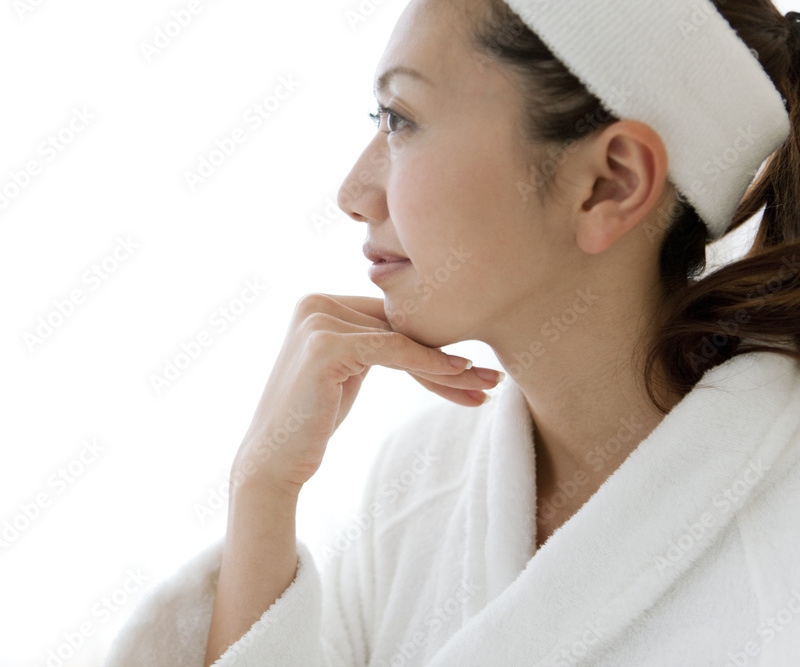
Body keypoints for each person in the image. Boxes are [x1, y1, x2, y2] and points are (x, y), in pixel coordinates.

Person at [105, 0, 800, 664]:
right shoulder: (414, 492)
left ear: (608, 185)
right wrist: (262, 488)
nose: (353, 194)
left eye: (401, 120)